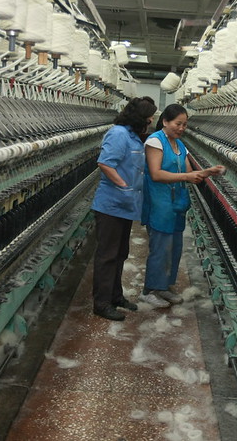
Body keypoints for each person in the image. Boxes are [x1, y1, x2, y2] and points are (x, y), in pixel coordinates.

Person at [139, 104, 223, 308]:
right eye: (178, 123)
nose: (182, 128)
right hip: (160, 203)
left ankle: (164, 287)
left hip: (176, 203)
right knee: (160, 247)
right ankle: (149, 290)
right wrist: (188, 175)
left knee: (174, 248)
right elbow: (156, 174)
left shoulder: (180, 145)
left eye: (185, 124)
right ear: (165, 121)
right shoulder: (155, 141)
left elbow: (189, 172)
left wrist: (207, 172)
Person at [91, 97, 158, 321]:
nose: (151, 120)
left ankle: (115, 296)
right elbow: (105, 163)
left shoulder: (132, 137)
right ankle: (101, 303)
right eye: (149, 116)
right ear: (140, 117)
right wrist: (124, 187)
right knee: (107, 255)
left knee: (120, 253)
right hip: (111, 204)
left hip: (125, 205)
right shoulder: (118, 134)